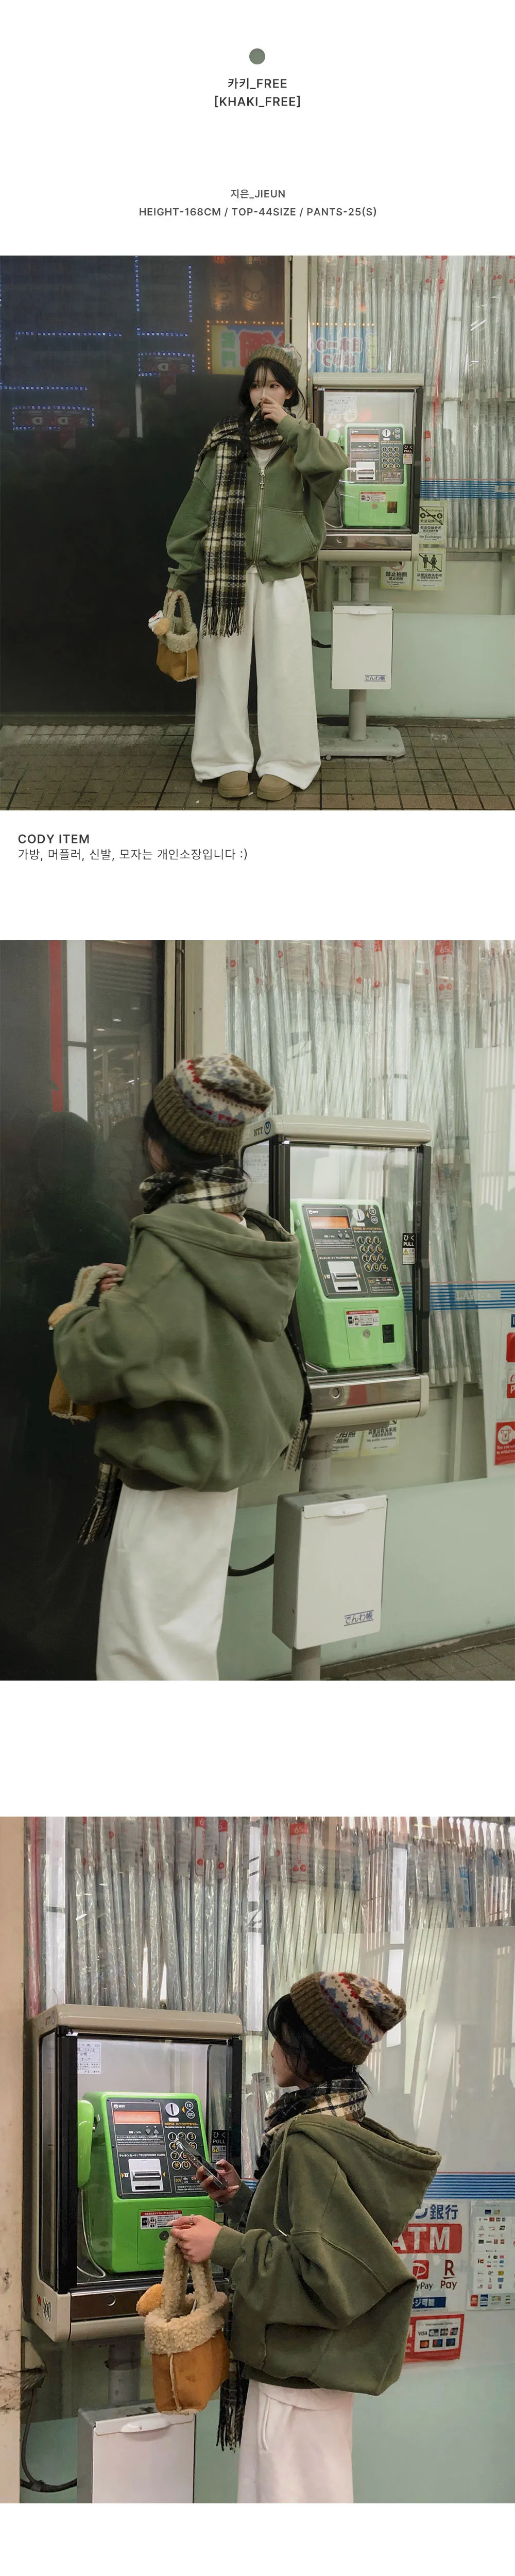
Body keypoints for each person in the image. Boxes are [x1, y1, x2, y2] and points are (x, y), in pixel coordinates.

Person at [49, 1056, 305, 1681]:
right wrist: (138, 1290)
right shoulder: (242, 1226)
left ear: (158, 1145)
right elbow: (198, 1324)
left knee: (144, 1657)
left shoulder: (170, 1234)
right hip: (213, 1466)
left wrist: (75, 1315)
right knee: (184, 1641)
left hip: (168, 1469)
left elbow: (104, 1358)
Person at [172, 1970, 441, 2505]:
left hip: (294, 2393)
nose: (272, 2050)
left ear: (308, 2048)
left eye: (281, 2037)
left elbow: (324, 2275)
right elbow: (322, 2234)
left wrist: (223, 2244)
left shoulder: (308, 2142)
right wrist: (240, 2201)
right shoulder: (344, 2128)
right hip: (311, 2380)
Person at [164, 347, 343, 803]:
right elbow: (196, 511)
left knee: (287, 673)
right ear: (247, 390)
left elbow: (332, 469)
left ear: (290, 393)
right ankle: (226, 760)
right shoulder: (224, 441)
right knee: (221, 673)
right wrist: (180, 576)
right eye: (258, 384)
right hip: (229, 576)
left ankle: (287, 762)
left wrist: (290, 426)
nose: (264, 393)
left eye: (275, 385)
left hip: (283, 576)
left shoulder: (304, 443)